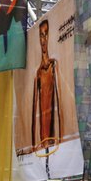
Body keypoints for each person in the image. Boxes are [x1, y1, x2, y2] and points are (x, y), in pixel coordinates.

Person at [31, 19, 63, 153]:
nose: (43, 39)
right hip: (42, 139)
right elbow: (34, 111)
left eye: (46, 34)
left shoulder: (53, 66)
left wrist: (60, 138)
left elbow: (59, 103)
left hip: (53, 137)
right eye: (41, 35)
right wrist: (33, 145)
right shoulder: (38, 73)